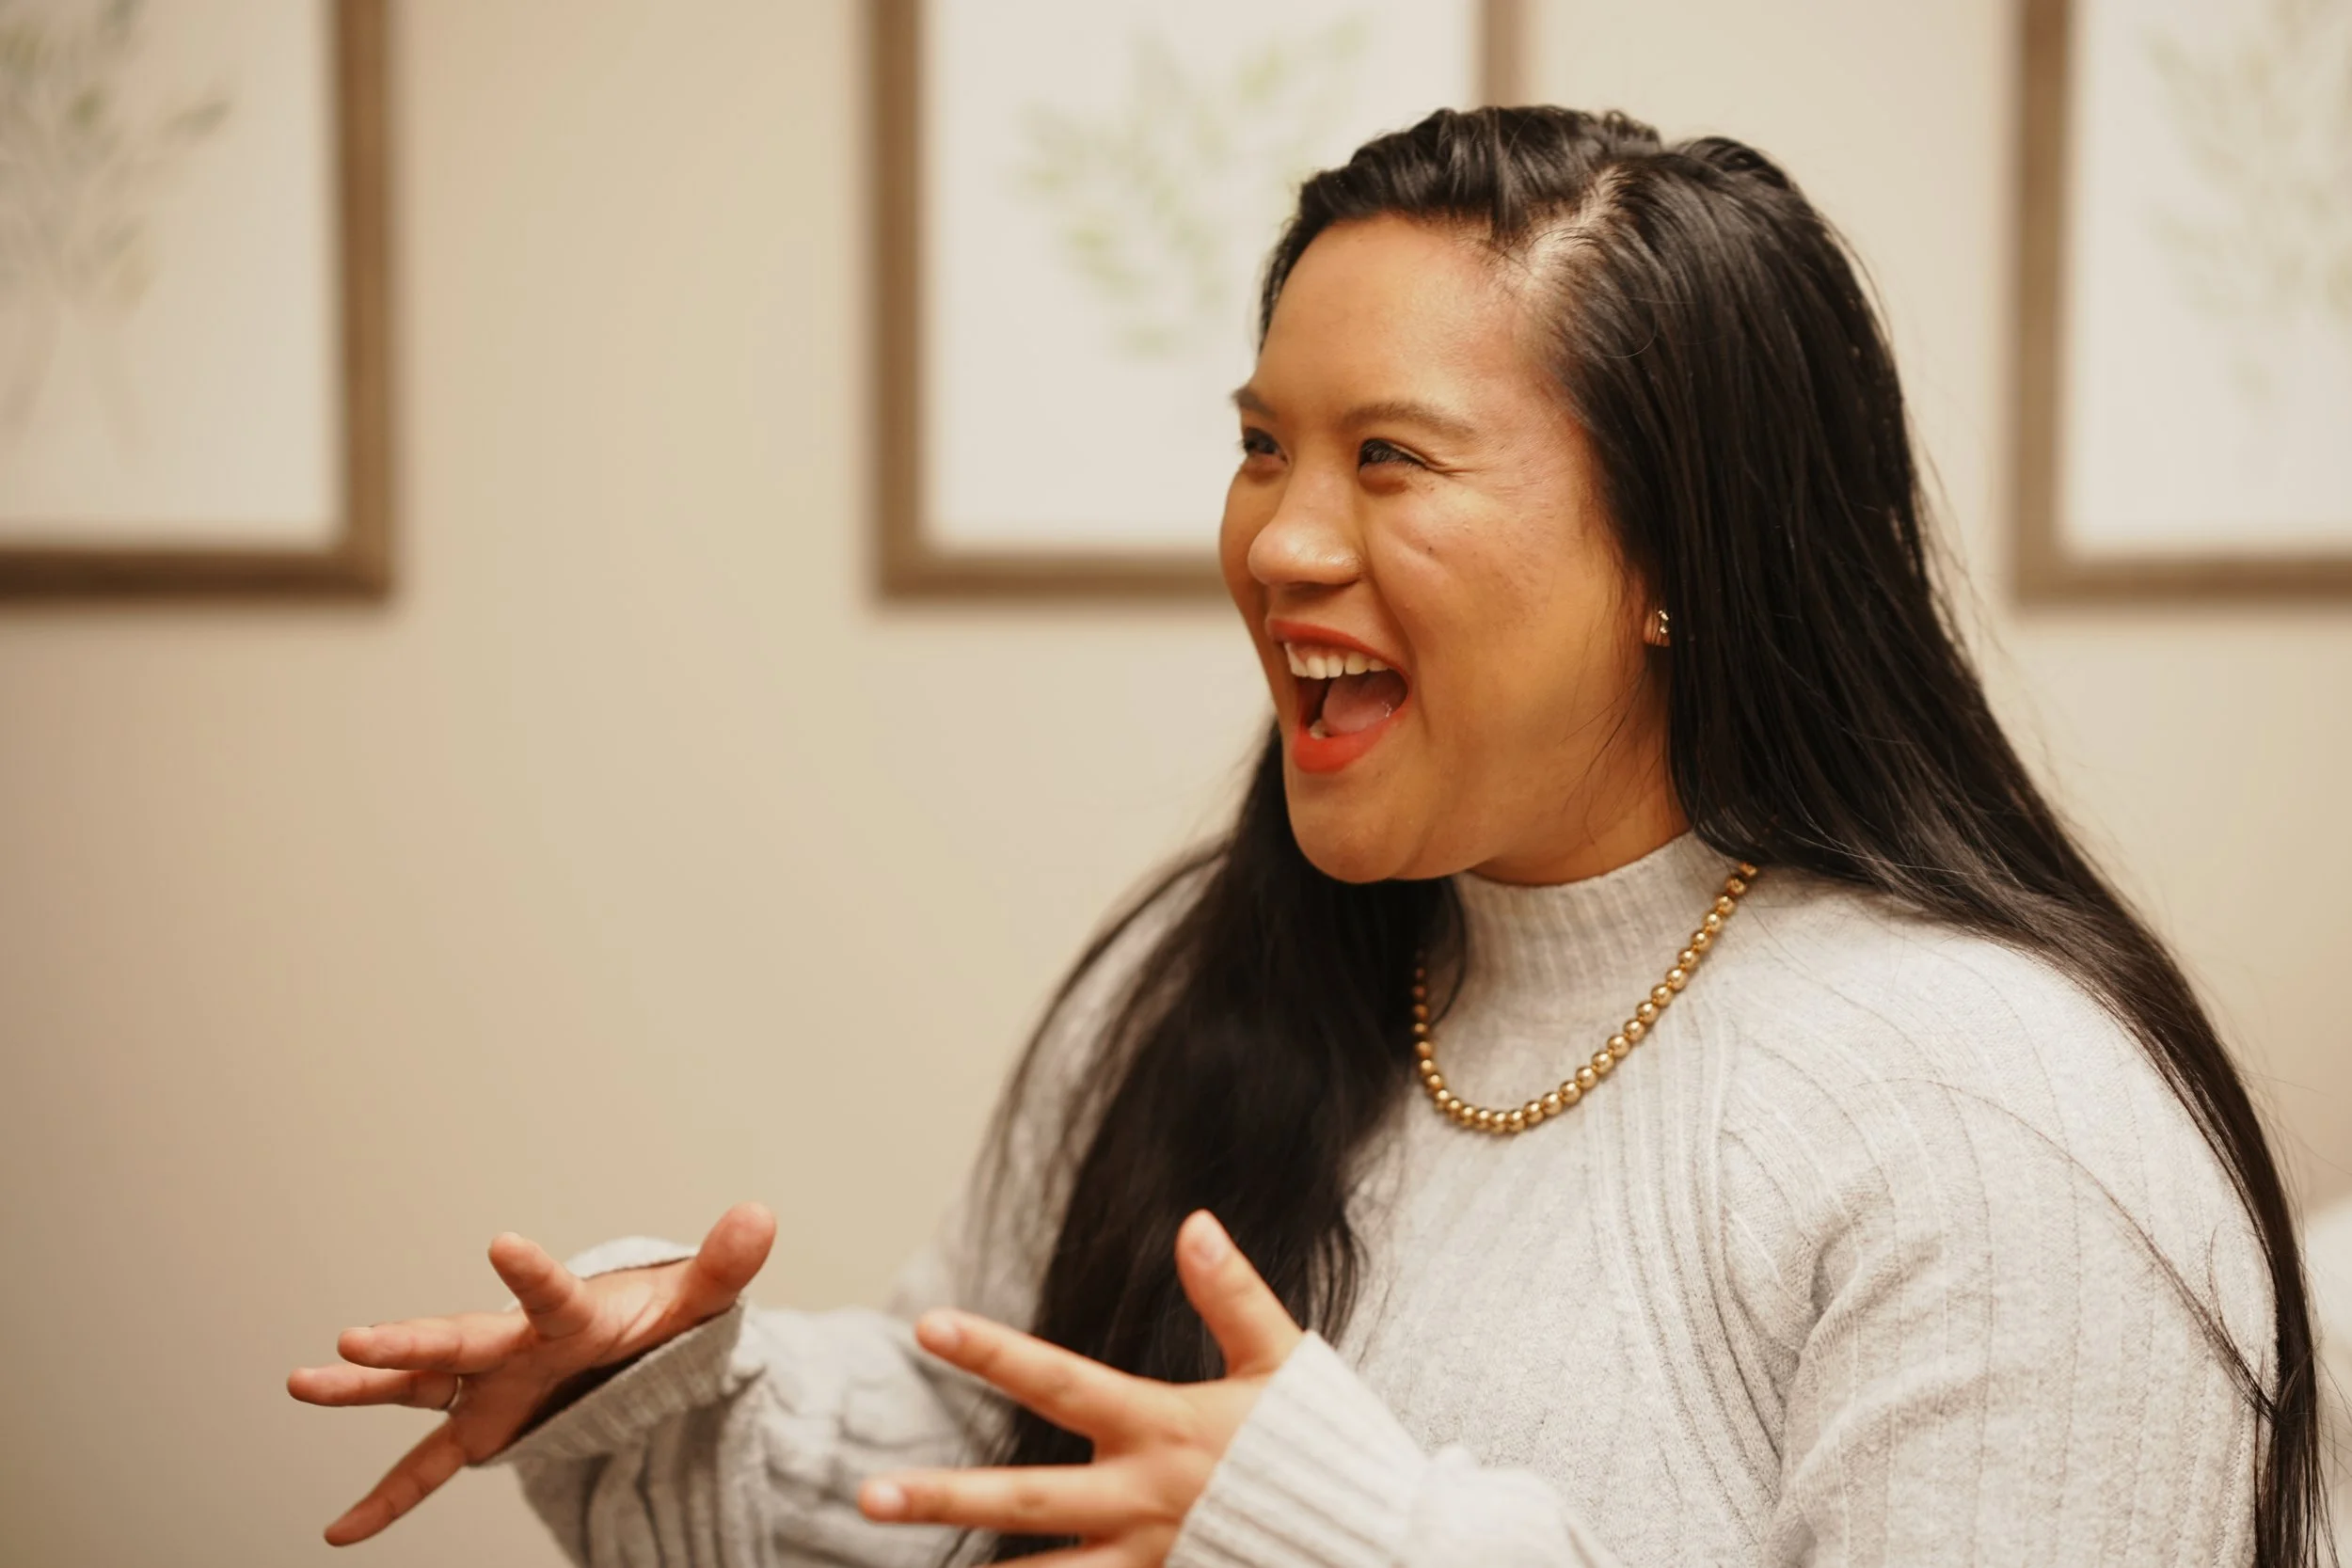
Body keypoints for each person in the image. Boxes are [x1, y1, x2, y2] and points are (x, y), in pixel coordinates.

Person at [287, 106, 2323, 1566]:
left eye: (1389, 459)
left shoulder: (1997, 1116)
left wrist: (1347, 1535)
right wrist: (659, 1399)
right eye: (1258, 443)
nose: (1274, 539)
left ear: (1671, 555)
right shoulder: (1221, 979)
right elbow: (984, 1462)